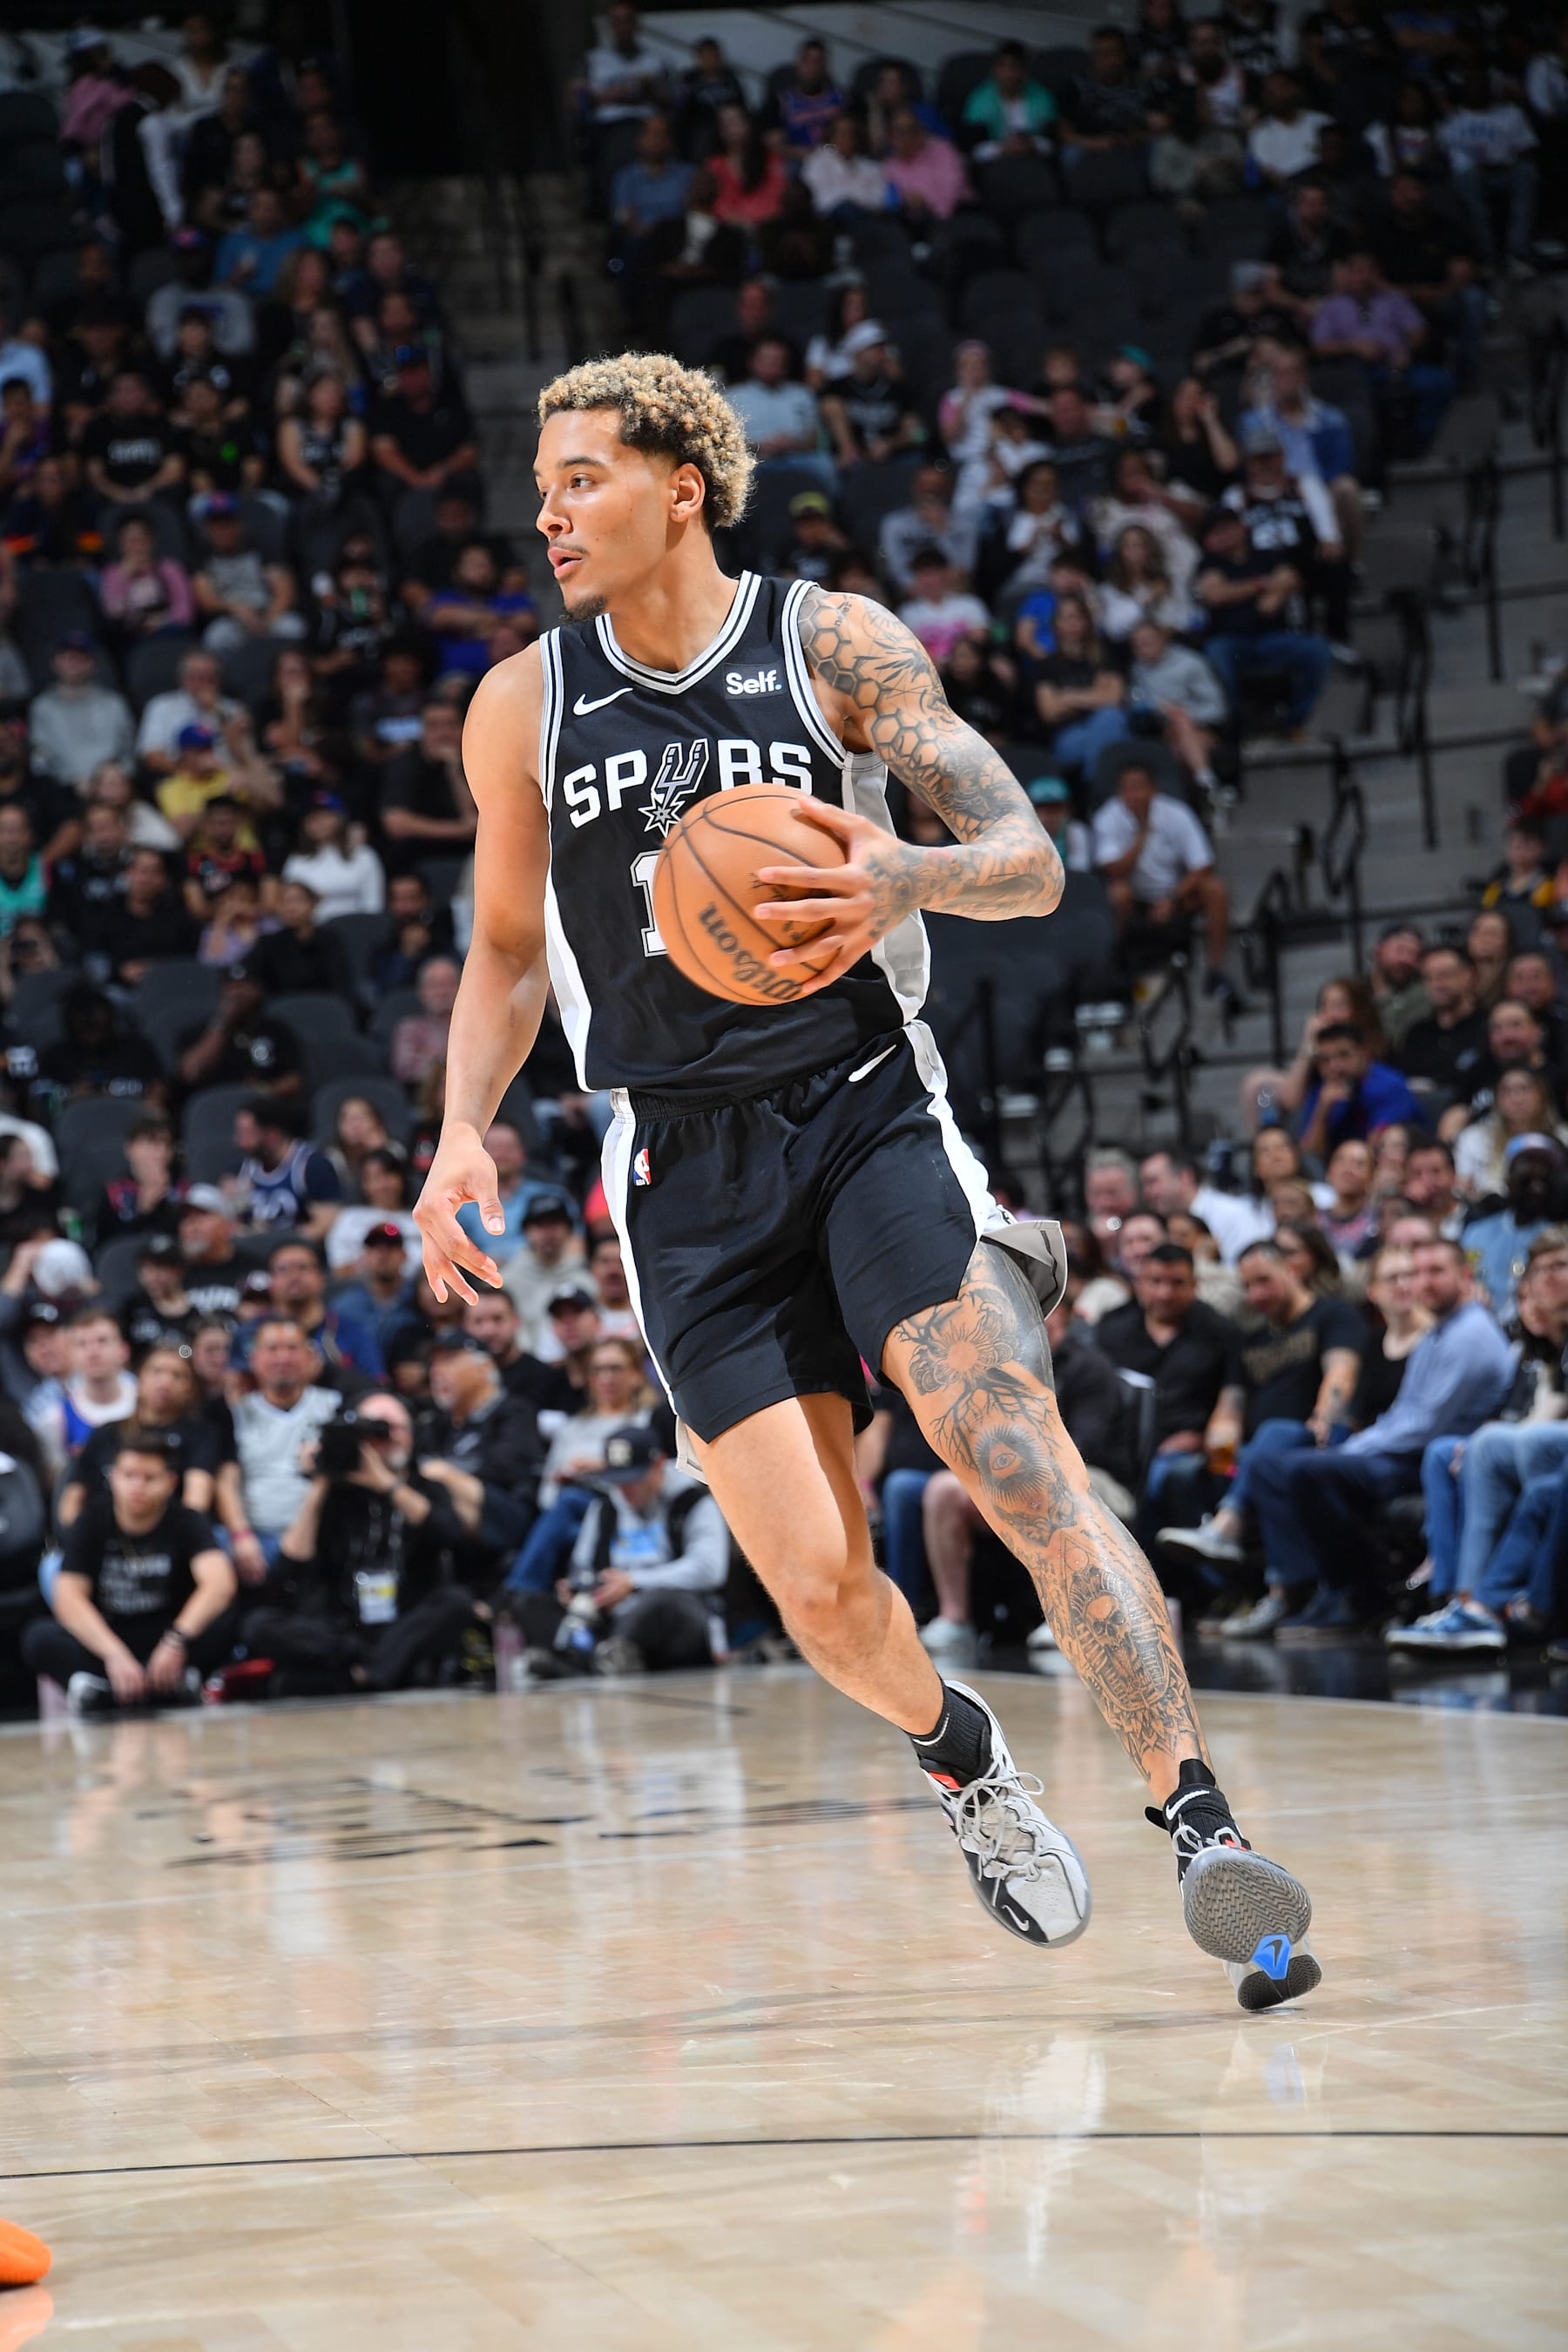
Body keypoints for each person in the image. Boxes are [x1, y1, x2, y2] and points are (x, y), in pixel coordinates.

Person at [413, 349, 1322, 2009]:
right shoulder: (521, 705)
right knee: (828, 1595)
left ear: (679, 485)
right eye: (539, 486)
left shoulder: (829, 646)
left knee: (1010, 1450)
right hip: (676, 1169)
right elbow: (497, 952)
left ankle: (1202, 1827)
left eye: (580, 477)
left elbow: (1030, 860)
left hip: (861, 1112)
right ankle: (961, 1756)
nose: (546, 512)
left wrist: (908, 866)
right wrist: (459, 1131)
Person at [1244, 1237, 1514, 1639]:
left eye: (1435, 1272)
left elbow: (1422, 1426)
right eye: (1417, 1273)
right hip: (1403, 1450)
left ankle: (1352, 1595)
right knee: (1272, 1460)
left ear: (1464, 1275)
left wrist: (1353, 1447)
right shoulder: (1442, 1330)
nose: (1423, 1283)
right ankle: (1317, 1589)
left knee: (1306, 1471)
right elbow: (1403, 1412)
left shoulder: (1469, 1334)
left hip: (1429, 1457)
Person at [244, 1390, 477, 1692]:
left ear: (411, 1435)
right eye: (376, 1430)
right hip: (345, 1629)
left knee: (456, 1602)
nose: (387, 1438)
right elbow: (290, 1567)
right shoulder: (336, 1492)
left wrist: (388, 1484)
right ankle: (378, 1668)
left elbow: (453, 1536)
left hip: (404, 1621)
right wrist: (321, 1481)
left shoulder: (426, 1488)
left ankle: (357, 1677)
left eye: (395, 1429)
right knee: (258, 1623)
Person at [22, 1430, 237, 1714]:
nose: (138, 1486)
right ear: (113, 1478)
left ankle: (170, 1683)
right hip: (108, 1636)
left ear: (170, 1482)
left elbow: (219, 1585)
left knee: (230, 1619)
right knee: (39, 1636)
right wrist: (114, 1655)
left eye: (149, 1478)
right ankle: (108, 1689)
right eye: (128, 1475)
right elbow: (68, 1598)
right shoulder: (90, 1522)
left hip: (168, 1635)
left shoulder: (187, 1520)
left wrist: (176, 1641)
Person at [513, 1422, 730, 1680]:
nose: (625, 1490)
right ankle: (598, 1658)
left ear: (658, 1465)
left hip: (670, 1611)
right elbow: (583, 1566)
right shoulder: (605, 1509)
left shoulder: (693, 1502)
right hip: (610, 1615)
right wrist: (578, 1588)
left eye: (633, 1479)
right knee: (528, 1603)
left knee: (666, 1604)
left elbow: (710, 1570)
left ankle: (584, 1663)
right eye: (618, 1480)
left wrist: (633, 1583)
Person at [1092, 1242, 1247, 1557]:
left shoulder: (1219, 1331)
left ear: (1194, 1285)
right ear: (1139, 1284)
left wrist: (1205, 1439)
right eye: (1155, 1282)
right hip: (1118, 1451)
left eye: (1177, 1283)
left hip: (1186, 1451)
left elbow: (1232, 1402)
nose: (1165, 1293)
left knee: (1167, 1476)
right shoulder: (1112, 1329)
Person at [1092, 759, 1240, 1010]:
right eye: (1127, 789)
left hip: (1175, 893)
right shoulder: (1107, 817)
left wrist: (1171, 899)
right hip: (1135, 897)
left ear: (1154, 789)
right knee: (1117, 893)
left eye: (1139, 787)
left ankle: (1216, 970)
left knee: (1214, 889)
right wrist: (1141, 836)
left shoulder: (1176, 813)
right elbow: (1113, 869)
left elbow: (1203, 864)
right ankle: (1116, 972)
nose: (1134, 795)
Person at [215, 1317, 341, 1578]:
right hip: (255, 1537)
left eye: (293, 1348)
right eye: (272, 1349)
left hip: (320, 1534)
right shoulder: (233, 1414)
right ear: (254, 1358)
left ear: (309, 1357)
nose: (283, 1358)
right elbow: (226, 1481)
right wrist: (241, 1534)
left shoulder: (334, 1407)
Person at [1295, 1022, 1426, 1159]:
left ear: (1364, 1053)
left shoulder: (1389, 1086)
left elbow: (1379, 1149)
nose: (1334, 1067)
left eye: (1344, 1055)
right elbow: (1309, 1157)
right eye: (1325, 1060)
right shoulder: (1322, 1091)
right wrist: (1322, 1112)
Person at [233, 1095, 342, 1237]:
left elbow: (325, 1223)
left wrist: (275, 1242)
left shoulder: (313, 1166)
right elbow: (237, 1217)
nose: (239, 1143)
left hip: (297, 1250)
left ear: (272, 1135)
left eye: (247, 1134)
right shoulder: (247, 1165)